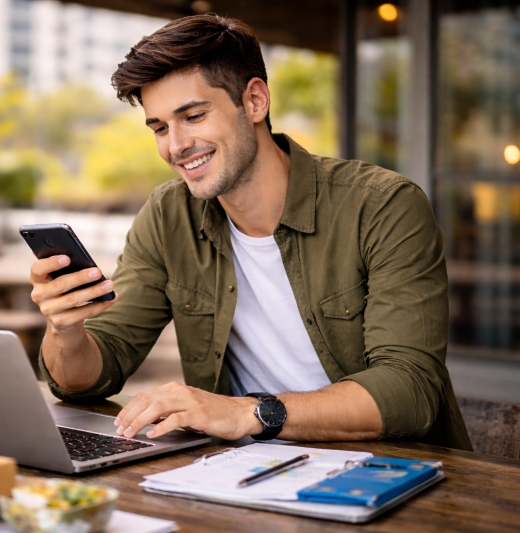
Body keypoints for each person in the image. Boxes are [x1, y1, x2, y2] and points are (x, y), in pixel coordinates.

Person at [28, 14, 472, 450]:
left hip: (388, 473)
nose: (176, 146)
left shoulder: (383, 206)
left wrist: (246, 412)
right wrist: (65, 331)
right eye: (160, 127)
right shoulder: (168, 214)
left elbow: (410, 392)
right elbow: (94, 372)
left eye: (194, 116)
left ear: (255, 101)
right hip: (236, 476)